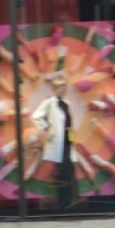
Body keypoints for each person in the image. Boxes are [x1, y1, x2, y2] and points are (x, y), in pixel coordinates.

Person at [32, 77, 76, 208]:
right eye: (60, 87)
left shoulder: (68, 104)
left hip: (67, 141)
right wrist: (46, 129)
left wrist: (72, 139)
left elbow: (70, 124)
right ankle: (61, 202)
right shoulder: (50, 102)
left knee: (68, 170)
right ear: (56, 88)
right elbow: (36, 116)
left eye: (64, 87)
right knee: (59, 171)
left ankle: (69, 200)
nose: (63, 90)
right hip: (56, 141)